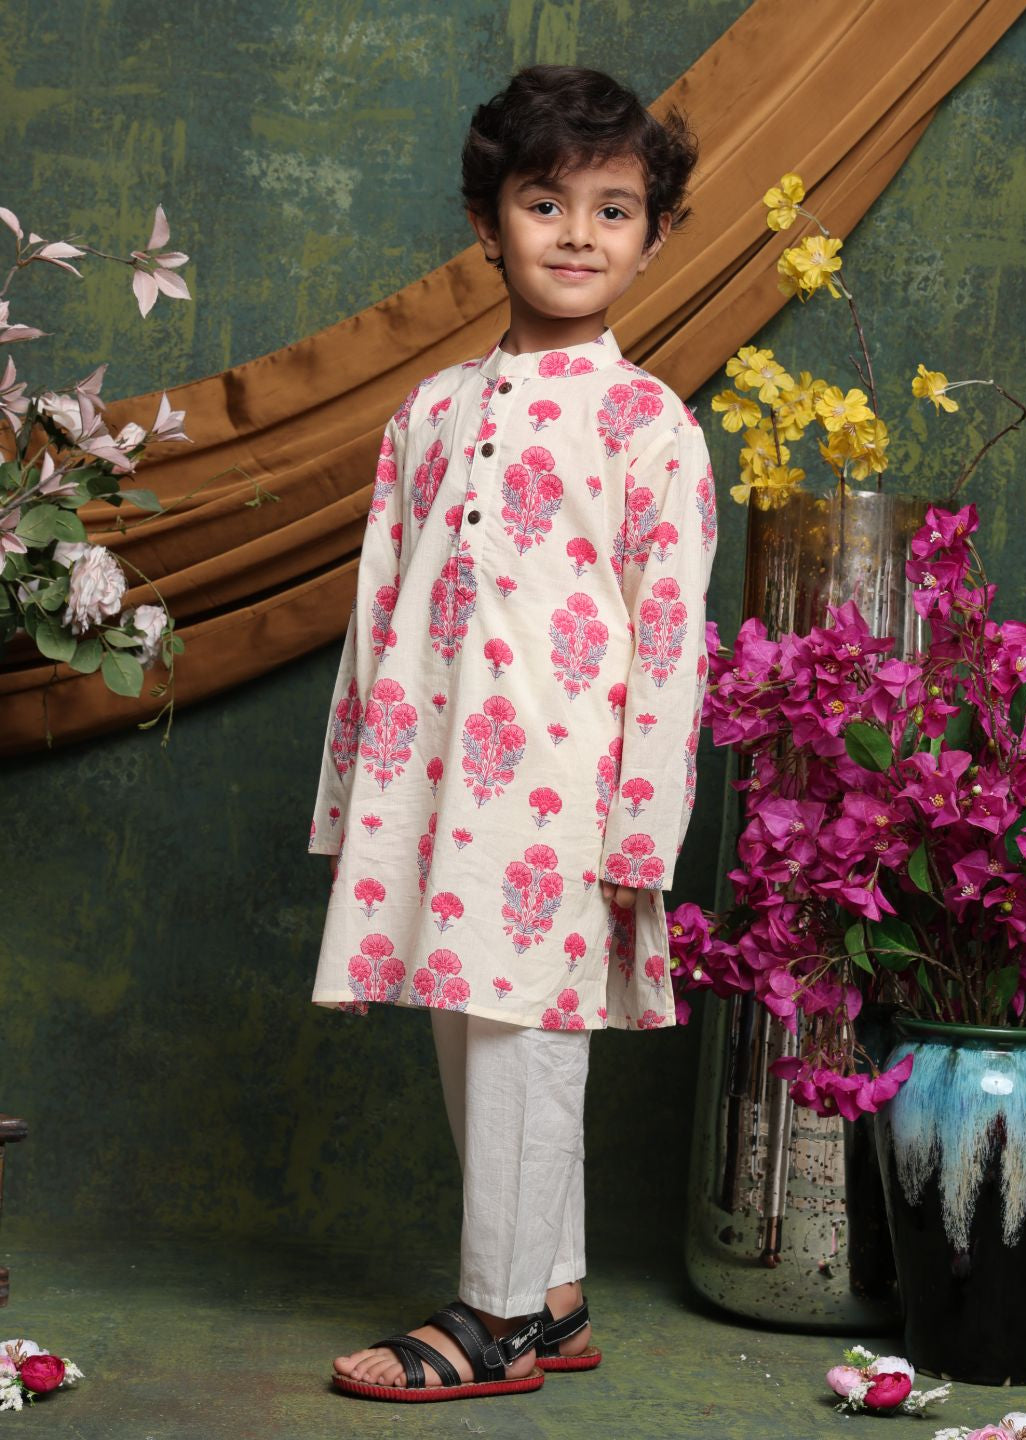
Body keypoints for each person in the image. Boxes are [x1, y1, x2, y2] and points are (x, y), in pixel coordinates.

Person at [309, 64, 717, 1403]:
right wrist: (353, 795)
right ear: (490, 223)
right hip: (431, 779)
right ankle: (553, 1292)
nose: (581, 233)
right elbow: (380, 606)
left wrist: (643, 826)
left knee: (524, 1040)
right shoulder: (428, 412)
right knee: (465, 1028)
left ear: (653, 235)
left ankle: (490, 1316)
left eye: (615, 208)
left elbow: (671, 642)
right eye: (548, 202)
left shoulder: (646, 424)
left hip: (561, 794)